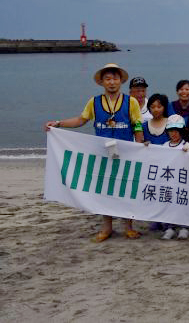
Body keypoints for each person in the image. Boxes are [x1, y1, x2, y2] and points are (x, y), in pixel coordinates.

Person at [44, 63, 144, 242]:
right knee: (104, 190)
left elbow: (137, 124)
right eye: (108, 79)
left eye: (115, 78)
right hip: (102, 153)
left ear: (121, 81)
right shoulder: (94, 101)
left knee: (127, 188)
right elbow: (81, 120)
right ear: (102, 82)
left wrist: (140, 146)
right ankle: (107, 228)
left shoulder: (131, 101)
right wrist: (58, 123)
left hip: (126, 152)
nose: (111, 82)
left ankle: (128, 226)